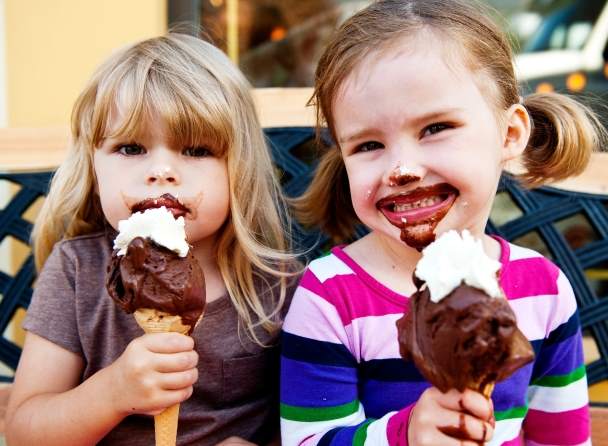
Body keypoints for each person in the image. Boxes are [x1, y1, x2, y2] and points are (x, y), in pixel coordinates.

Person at [280, 1, 603, 444]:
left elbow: (562, 439)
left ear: (508, 136)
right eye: (368, 144)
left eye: (435, 128)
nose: (402, 169)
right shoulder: (331, 296)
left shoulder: (544, 290)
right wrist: (404, 434)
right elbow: (307, 439)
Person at [6, 33, 298, 446]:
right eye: (130, 147)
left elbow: (311, 421)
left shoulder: (279, 284)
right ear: (93, 167)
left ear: (240, 169)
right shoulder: (77, 270)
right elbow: (23, 432)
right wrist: (111, 393)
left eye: (196, 150)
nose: (161, 171)